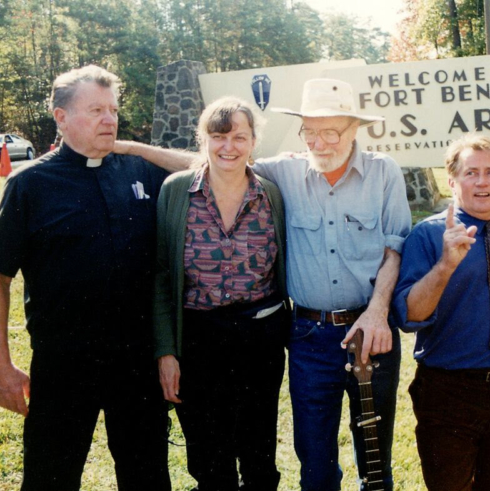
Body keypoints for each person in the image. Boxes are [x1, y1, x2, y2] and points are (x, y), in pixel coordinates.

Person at [114, 78, 412, 491]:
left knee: (371, 455)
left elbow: (395, 246)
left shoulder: (368, 175)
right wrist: (129, 147)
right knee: (309, 459)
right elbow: (207, 165)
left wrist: (378, 311)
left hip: (346, 331)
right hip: (286, 335)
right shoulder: (263, 176)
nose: (321, 143)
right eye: (311, 132)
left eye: (332, 132)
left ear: (354, 129)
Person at [0, 65, 175, 490]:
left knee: (147, 475)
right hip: (64, 361)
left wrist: (133, 147)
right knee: (50, 476)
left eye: (113, 110)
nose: (109, 119)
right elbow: (0, 279)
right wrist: (1, 364)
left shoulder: (140, 172)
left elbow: (207, 165)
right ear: (60, 117)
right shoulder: (30, 186)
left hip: (137, 360)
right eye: (96, 109)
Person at [153, 97, 289, 491]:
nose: (228, 146)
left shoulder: (270, 196)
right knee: (208, 453)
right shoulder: (177, 192)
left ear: (253, 142)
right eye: (218, 136)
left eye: (239, 137)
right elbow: (163, 275)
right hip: (198, 335)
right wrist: (166, 351)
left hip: (258, 336)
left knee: (259, 447)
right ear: (203, 139)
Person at [392, 135, 490, 491]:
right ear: (452, 181)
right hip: (448, 390)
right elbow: (409, 315)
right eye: (471, 173)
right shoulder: (429, 235)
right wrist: (445, 266)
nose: (482, 181)